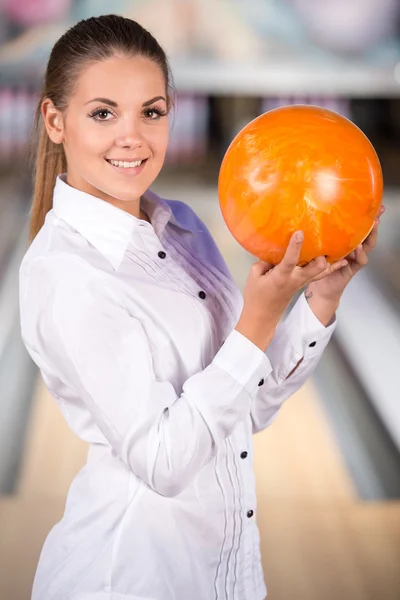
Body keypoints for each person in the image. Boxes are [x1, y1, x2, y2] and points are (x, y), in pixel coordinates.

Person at [18, 14, 384, 600]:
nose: (132, 136)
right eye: (103, 112)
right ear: (55, 120)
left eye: (153, 112)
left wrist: (317, 301)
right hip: (127, 581)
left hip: (228, 579)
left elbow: (244, 407)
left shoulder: (183, 228)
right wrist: (258, 318)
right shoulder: (69, 275)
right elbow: (164, 462)